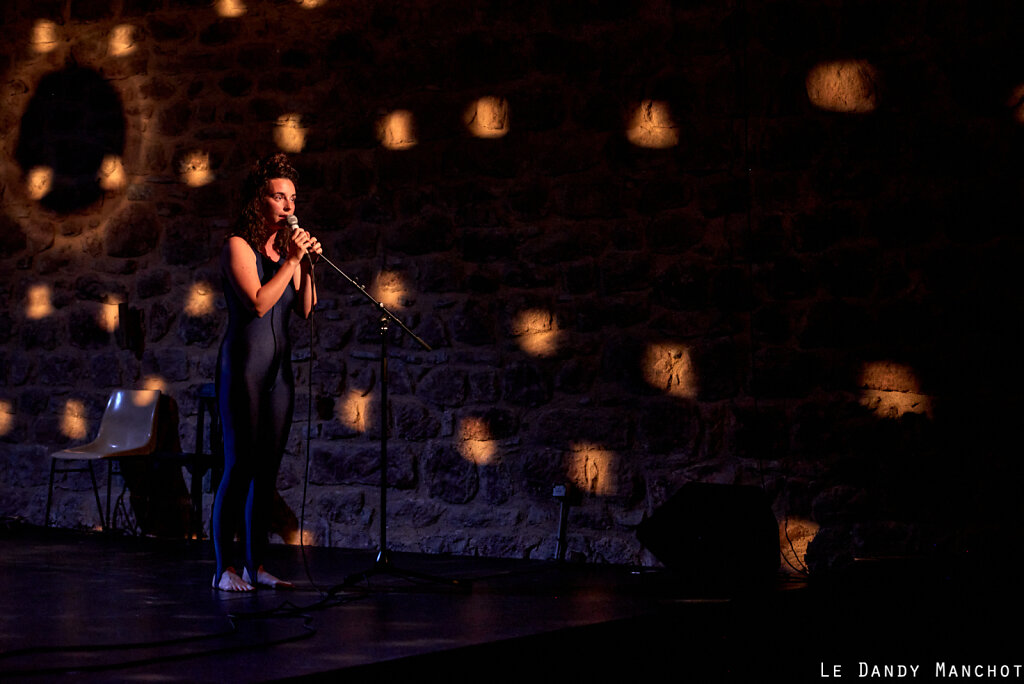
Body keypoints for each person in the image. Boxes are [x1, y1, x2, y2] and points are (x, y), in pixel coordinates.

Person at [212, 153, 321, 592]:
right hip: (243, 368)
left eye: (293, 198)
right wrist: (291, 263)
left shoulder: (286, 252)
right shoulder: (238, 246)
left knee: (268, 471)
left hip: (279, 373)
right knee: (239, 465)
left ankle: (257, 564)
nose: (289, 206)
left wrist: (307, 262)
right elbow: (259, 302)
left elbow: (307, 309)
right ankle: (224, 569)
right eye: (280, 197)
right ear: (260, 200)